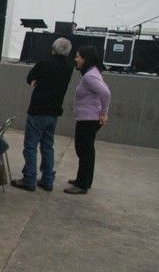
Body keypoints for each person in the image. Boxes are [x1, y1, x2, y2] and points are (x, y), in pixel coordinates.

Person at [12, 38, 73, 192]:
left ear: (53, 49)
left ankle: (29, 179)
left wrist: (36, 81)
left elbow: (30, 78)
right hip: (54, 112)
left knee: (30, 146)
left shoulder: (44, 64)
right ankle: (47, 180)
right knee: (47, 146)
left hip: (38, 110)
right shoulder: (68, 68)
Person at [64, 46, 111, 195]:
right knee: (85, 150)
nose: (76, 59)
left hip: (89, 119)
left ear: (86, 59)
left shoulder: (89, 76)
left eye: (78, 56)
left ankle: (82, 184)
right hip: (88, 117)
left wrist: (104, 113)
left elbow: (105, 93)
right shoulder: (93, 72)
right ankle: (83, 180)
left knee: (84, 150)